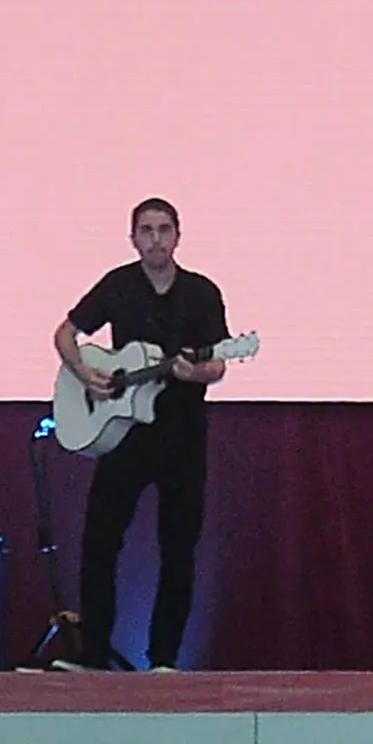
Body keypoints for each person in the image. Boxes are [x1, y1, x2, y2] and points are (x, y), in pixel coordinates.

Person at [55, 198, 229, 672]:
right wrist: (85, 373)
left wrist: (195, 373)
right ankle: (92, 655)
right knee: (100, 542)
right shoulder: (118, 286)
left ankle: (165, 659)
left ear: (178, 235)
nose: (155, 238)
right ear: (133, 237)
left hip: (183, 435)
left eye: (164, 229)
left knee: (178, 546)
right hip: (125, 435)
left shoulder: (201, 293)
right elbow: (66, 333)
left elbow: (217, 364)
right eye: (146, 230)